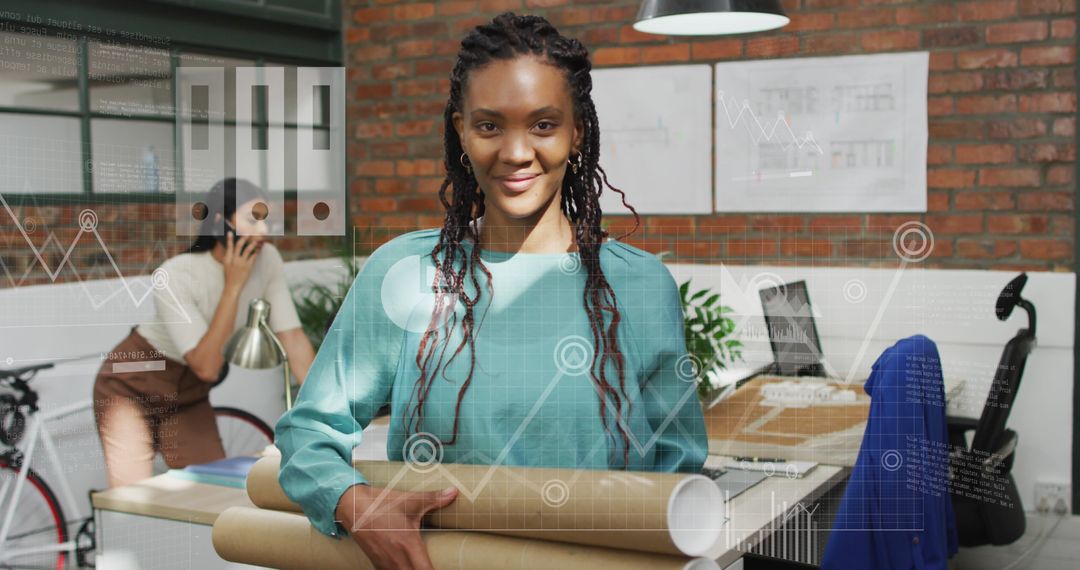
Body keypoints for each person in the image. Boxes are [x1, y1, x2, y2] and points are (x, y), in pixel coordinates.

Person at [275, 13, 708, 570]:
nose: (516, 152)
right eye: (489, 126)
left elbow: (678, 469)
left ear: (578, 131)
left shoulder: (642, 286)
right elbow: (309, 430)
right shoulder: (406, 274)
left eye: (544, 125)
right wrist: (356, 504)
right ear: (461, 131)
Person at [93, 178, 316, 488]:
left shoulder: (268, 261)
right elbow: (206, 365)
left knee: (214, 492)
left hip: (188, 394)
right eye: (253, 219)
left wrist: (325, 404)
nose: (264, 231)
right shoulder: (175, 274)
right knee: (133, 500)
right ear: (218, 222)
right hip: (130, 386)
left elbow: (292, 338)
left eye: (267, 220)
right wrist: (234, 285)